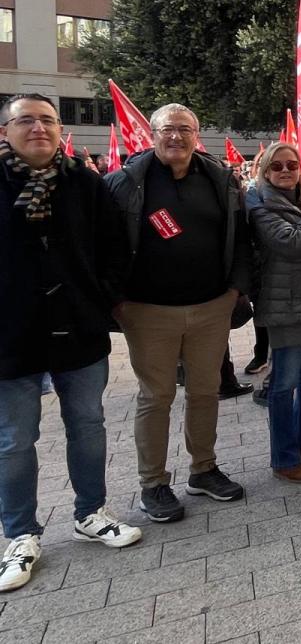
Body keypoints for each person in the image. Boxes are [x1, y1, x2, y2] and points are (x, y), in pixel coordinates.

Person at [0, 95, 141, 594]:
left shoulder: (85, 182)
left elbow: (114, 247)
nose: (38, 127)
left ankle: (90, 513)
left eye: (47, 120)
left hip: (79, 328)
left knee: (87, 424)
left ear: (59, 129)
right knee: (15, 440)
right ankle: (20, 534)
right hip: (11, 335)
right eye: (25, 120)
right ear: (6, 131)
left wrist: (101, 298)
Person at [107, 103, 252, 522]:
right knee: (157, 397)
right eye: (167, 129)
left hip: (211, 307)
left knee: (206, 391)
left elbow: (240, 237)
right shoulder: (124, 183)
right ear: (152, 134)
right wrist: (118, 302)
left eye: (184, 129)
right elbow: (105, 244)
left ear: (196, 134)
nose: (176, 136)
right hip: (148, 312)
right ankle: (153, 483)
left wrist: (234, 291)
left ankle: (203, 469)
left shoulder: (221, 179)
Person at [246, 142, 301, 484]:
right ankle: (283, 459)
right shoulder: (259, 203)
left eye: (292, 165)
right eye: (277, 165)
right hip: (287, 305)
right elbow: (292, 243)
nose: (285, 170)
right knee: (284, 385)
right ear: (266, 170)